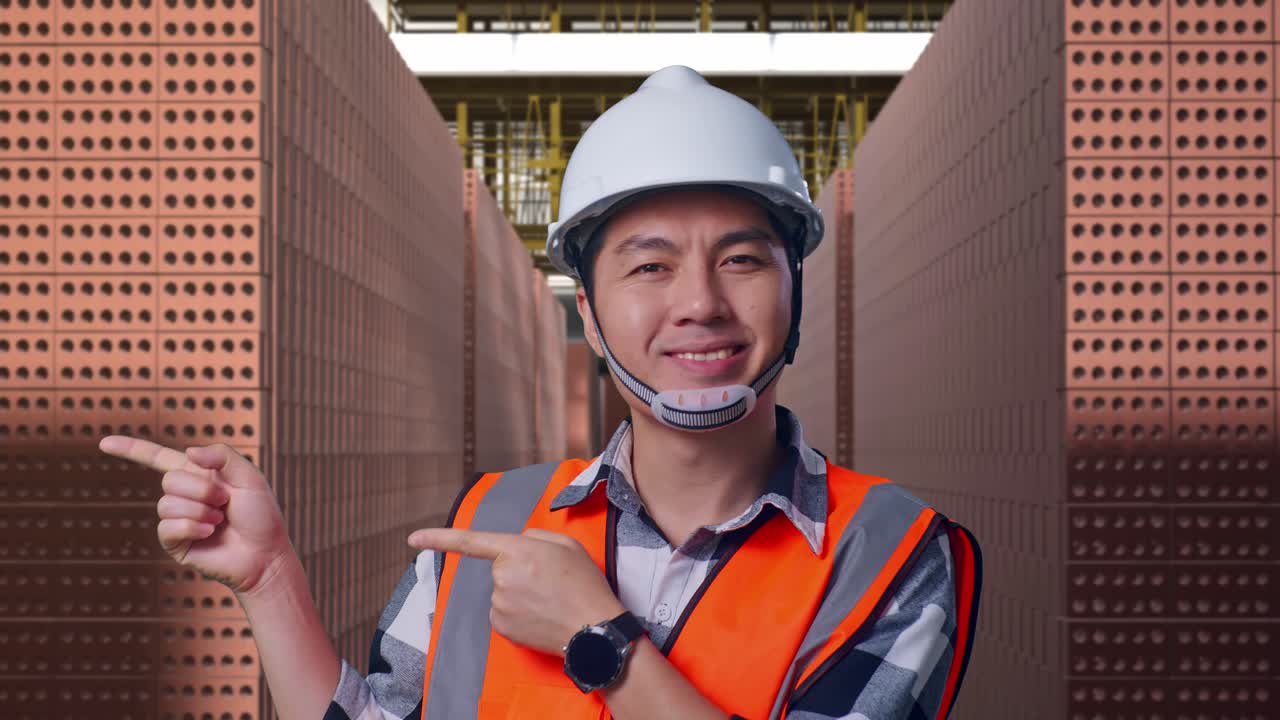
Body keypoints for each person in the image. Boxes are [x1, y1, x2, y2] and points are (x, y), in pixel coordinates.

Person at [100, 65, 981, 720]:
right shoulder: (490, 523)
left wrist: (599, 641)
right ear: (591, 318)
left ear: (795, 290)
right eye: (650, 266)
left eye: (742, 258)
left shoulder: (888, 553)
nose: (701, 302)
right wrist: (269, 579)